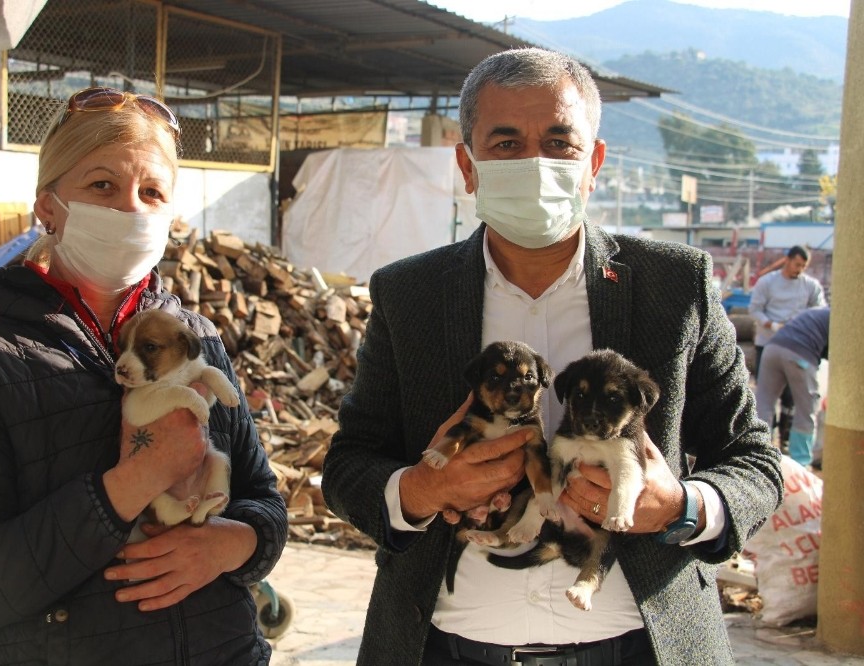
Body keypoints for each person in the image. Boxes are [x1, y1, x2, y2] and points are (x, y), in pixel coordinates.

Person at [321, 48, 782, 666]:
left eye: (560, 143)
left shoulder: (675, 286)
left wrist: (681, 508)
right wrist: (422, 490)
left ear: (594, 163)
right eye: (506, 143)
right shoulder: (410, 295)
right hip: (444, 649)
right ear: (468, 165)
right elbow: (349, 465)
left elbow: (754, 460)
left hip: (641, 650)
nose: (534, 163)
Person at [0, 87, 287, 665]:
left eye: (151, 192)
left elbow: (264, 499)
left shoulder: (197, 339)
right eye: (103, 185)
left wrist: (233, 544)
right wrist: (130, 485)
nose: (130, 209)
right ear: (48, 206)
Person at [749, 245, 827, 447]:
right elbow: (755, 309)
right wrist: (772, 324)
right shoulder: (767, 282)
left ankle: (785, 438)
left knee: (791, 398)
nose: (799, 269)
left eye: (803, 266)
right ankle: (764, 442)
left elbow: (818, 310)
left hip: (799, 342)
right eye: (796, 264)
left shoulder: (810, 286)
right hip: (769, 341)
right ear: (788, 260)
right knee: (766, 397)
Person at [755, 306, 830, 467]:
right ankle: (800, 462)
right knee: (806, 409)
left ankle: (758, 456)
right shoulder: (840, 319)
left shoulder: (818, 313)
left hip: (771, 349)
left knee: (763, 403)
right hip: (800, 355)